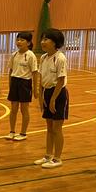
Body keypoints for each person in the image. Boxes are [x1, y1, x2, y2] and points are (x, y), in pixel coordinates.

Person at [35, 28, 69, 169]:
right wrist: (41, 96)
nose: (43, 42)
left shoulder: (60, 58)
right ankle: (48, 155)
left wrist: (53, 99)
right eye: (42, 39)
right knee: (49, 127)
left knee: (57, 128)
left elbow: (61, 80)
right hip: (47, 93)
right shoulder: (43, 58)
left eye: (46, 39)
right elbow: (41, 78)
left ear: (55, 42)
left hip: (59, 94)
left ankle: (57, 158)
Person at [6, 31, 38, 141]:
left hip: (25, 83)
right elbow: (11, 71)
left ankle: (23, 133)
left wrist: (35, 89)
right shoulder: (14, 55)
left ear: (28, 43)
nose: (19, 42)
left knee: (24, 110)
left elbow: (34, 73)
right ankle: (12, 131)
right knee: (13, 109)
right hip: (15, 82)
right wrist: (10, 85)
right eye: (18, 39)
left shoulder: (31, 55)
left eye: (22, 40)